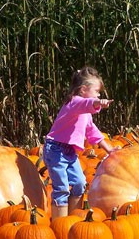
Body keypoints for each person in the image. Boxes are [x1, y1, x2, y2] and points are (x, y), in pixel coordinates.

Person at [44, 66, 117, 219]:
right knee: (62, 188)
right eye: (96, 91)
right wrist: (98, 102)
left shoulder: (85, 113)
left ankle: (73, 220)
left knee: (79, 183)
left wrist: (109, 149)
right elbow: (87, 104)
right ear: (83, 89)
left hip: (69, 151)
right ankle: (61, 225)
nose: (98, 94)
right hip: (55, 149)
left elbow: (92, 132)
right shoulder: (73, 102)